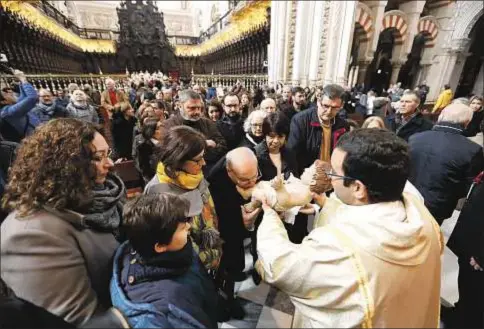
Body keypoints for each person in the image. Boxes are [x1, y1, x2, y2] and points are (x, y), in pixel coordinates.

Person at [255, 128, 443, 328]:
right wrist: (326, 205)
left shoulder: (339, 247)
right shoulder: (420, 214)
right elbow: (369, 220)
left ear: (358, 188)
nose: (330, 178)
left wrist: (269, 214)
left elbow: (279, 265)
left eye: (334, 173)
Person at [1, 118, 126, 326]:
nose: (110, 164)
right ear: (65, 167)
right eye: (97, 157)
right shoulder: (31, 234)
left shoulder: (102, 195)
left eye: (107, 154)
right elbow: (76, 320)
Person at [110, 193, 218, 328]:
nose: (188, 226)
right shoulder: (163, 313)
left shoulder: (176, 250)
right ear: (160, 246)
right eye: (181, 228)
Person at [144, 126, 222, 271]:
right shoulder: (158, 192)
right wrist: (207, 258)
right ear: (177, 160)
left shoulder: (193, 175)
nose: (203, 163)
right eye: (198, 160)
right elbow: (173, 242)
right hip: (190, 264)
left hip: (212, 252)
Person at [207, 147, 262, 320]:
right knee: (224, 271)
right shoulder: (216, 183)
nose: (253, 183)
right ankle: (224, 304)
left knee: (236, 265)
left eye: (255, 176)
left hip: (241, 231)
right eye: (245, 180)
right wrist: (246, 224)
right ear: (229, 171)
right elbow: (226, 225)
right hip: (223, 235)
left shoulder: (248, 162)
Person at [408, 104, 484, 225]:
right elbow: (467, 185)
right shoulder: (472, 149)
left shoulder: (415, 138)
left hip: (409, 197)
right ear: (467, 122)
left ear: (441, 116)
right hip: (438, 205)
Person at [446, 170, 484, 328]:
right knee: (466, 284)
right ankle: (461, 311)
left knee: (474, 290)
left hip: (478, 253)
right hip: (471, 242)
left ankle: (465, 320)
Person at [287, 84, 350, 176]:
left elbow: (344, 155)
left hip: (332, 176)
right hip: (307, 176)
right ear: (318, 102)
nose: (329, 112)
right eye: (325, 106)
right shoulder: (301, 120)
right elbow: (292, 153)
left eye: (334, 108)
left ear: (341, 106)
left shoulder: (343, 126)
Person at [162, 90, 227, 175]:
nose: (197, 112)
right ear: (180, 106)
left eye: (199, 108)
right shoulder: (169, 125)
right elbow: (172, 154)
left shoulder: (207, 123)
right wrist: (204, 144)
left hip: (207, 174)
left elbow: (222, 147)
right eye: (192, 108)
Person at [0, 70, 39, 142]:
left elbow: (24, 97)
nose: (11, 93)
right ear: (3, 101)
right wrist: (23, 79)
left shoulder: (10, 107)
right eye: (6, 94)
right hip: (34, 142)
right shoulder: (8, 112)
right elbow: (32, 98)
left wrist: (21, 82)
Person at [133, 118, 162, 184]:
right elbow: (144, 169)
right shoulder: (143, 147)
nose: (163, 129)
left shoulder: (167, 143)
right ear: (152, 131)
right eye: (159, 128)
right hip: (154, 181)